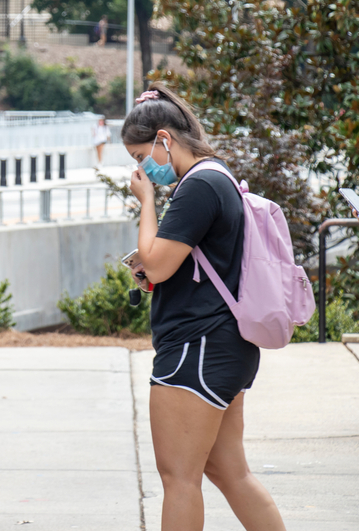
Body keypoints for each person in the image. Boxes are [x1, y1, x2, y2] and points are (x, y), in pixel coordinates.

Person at [123, 85, 286, 531]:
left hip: (197, 348)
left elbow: (156, 263)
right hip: (222, 345)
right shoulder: (218, 176)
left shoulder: (198, 185)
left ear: (163, 138)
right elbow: (188, 265)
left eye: (141, 157)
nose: (142, 168)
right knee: (228, 472)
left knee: (179, 477)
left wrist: (147, 202)